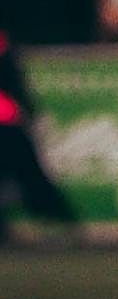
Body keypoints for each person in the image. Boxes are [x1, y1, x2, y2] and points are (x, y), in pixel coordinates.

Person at [0, 29, 77, 245]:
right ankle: (59, 219)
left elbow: (11, 77)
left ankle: (60, 220)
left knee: (30, 176)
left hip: (6, 120)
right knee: (30, 176)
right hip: (8, 120)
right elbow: (13, 78)